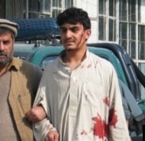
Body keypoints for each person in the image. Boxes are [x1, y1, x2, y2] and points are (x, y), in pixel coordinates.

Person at [26, 7, 130, 141]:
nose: (68, 35)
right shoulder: (51, 72)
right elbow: (38, 116)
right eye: (64, 30)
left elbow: (116, 118)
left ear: (87, 33)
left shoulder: (104, 69)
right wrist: (47, 130)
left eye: (74, 29)